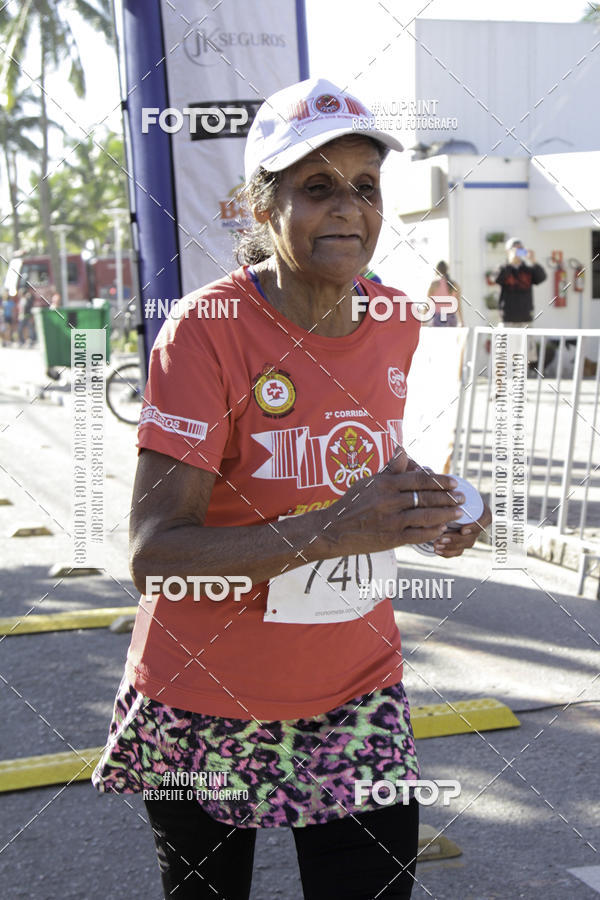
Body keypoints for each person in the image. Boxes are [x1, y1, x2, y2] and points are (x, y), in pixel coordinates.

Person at [92, 77, 491, 900]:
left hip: (356, 690)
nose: (348, 208)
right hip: (203, 695)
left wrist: (422, 507)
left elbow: (361, 454)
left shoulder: (398, 320)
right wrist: (334, 529)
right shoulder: (204, 334)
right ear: (258, 208)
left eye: (365, 188)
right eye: (317, 187)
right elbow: (155, 556)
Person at [495, 238, 546, 364]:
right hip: (508, 318)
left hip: (525, 317)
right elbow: (496, 278)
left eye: (521, 249)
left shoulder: (528, 270)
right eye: (515, 248)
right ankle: (505, 381)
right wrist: (510, 263)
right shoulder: (503, 268)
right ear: (508, 251)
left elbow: (541, 277)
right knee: (505, 356)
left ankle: (521, 380)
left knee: (525, 356)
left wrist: (533, 261)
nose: (518, 252)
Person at [426, 260, 463, 326]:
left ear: (437, 270)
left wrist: (423, 320)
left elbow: (427, 304)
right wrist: (461, 321)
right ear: (447, 270)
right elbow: (458, 305)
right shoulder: (454, 285)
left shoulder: (434, 284)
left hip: (438, 317)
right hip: (451, 317)